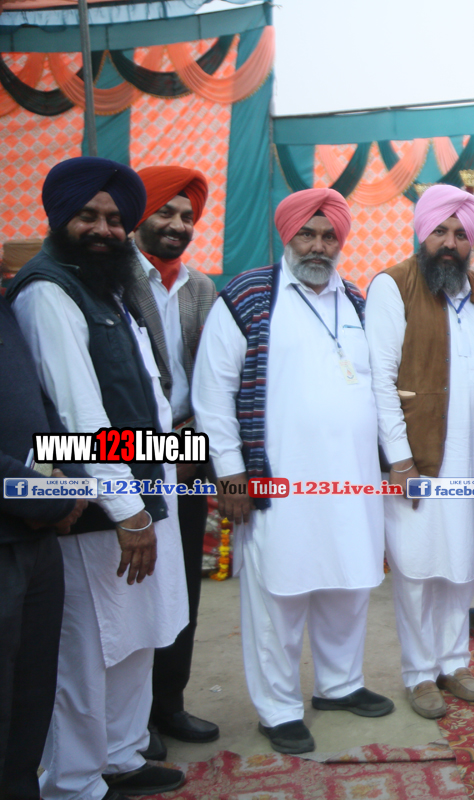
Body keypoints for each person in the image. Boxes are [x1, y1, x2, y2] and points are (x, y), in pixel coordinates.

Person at [7, 157, 188, 799]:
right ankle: (76, 780)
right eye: (88, 216)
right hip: (97, 507)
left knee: (138, 633)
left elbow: (147, 394)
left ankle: (121, 755)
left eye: (114, 219)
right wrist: (128, 511)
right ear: (61, 218)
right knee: (86, 651)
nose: (104, 229)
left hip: (145, 490)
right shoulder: (48, 291)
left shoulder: (109, 284)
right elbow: (80, 413)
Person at [192, 188, 392, 755]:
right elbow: (212, 392)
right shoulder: (249, 295)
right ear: (287, 235)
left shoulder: (356, 301)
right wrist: (230, 473)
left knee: (349, 583)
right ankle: (278, 709)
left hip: (352, 481)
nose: (319, 245)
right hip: (278, 482)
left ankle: (340, 685)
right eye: (308, 233)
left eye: (329, 235)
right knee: (277, 594)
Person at [365, 185, 474, 720]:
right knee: (417, 565)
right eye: (440, 231)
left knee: (463, 561)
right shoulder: (393, 285)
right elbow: (379, 379)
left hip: (473, 456)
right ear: (422, 232)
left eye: (460, 233)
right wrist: (399, 460)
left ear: (472, 241)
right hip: (418, 457)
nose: (449, 242)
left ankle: (453, 661)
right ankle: (419, 672)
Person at [125, 166, 219, 753]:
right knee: (134, 590)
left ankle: (170, 704)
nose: (178, 225)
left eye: (187, 216)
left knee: (182, 584)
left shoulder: (200, 288)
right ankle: (131, 722)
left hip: (187, 453)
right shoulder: (113, 278)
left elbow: (212, 377)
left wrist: (194, 443)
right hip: (129, 459)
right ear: (141, 215)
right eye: (166, 212)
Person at [0, 299, 87, 800]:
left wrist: (68, 482)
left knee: (31, 698)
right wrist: (46, 497)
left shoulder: (6, 308)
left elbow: (47, 412)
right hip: (12, 534)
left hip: (36, 543)